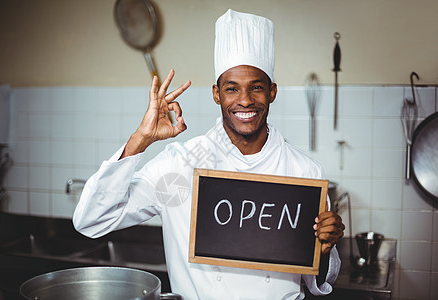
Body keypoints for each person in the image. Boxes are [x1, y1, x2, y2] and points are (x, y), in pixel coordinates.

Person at [73, 9, 344, 300]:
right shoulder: (180, 166)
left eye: (256, 88)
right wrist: (140, 139)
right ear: (216, 94)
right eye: (232, 89)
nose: (245, 100)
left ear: (272, 92)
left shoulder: (304, 172)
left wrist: (325, 249)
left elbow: (317, 280)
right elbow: (92, 219)